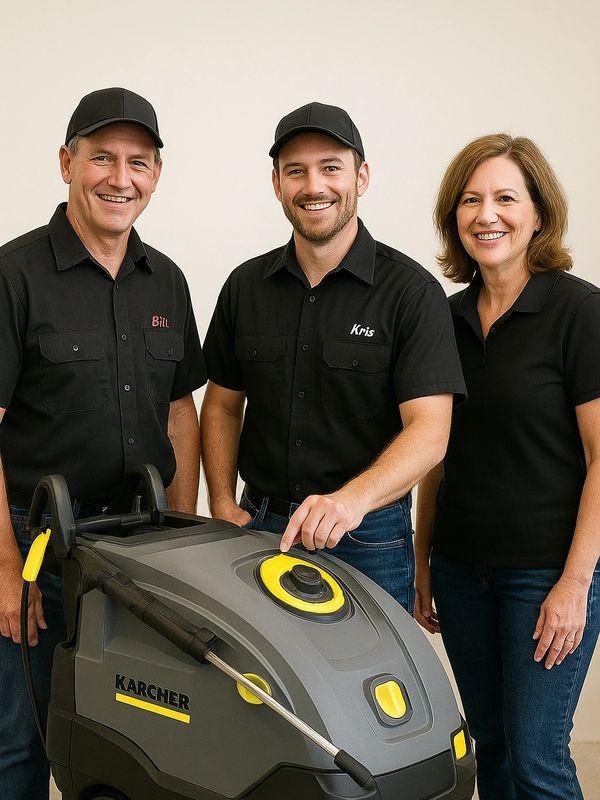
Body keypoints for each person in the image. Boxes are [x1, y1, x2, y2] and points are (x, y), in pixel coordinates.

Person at [0, 87, 206, 800]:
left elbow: (182, 411)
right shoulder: (13, 274)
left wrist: (183, 542)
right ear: (66, 163)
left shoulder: (168, 280)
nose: (121, 178)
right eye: (102, 159)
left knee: (138, 745)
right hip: (38, 554)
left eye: (139, 163)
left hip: (139, 559)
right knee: (19, 744)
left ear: (156, 174)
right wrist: (3, 569)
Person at [201, 101, 465, 610]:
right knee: (256, 688)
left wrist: (351, 502)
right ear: (276, 183)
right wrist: (218, 500)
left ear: (361, 176)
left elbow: (431, 430)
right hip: (259, 528)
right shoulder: (245, 286)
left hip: (367, 537)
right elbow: (222, 405)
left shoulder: (410, 292)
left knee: (366, 687)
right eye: (295, 171)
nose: (313, 186)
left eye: (331, 168)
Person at [414, 133, 600, 800]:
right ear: (453, 216)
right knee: (487, 750)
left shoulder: (580, 312)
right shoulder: (443, 318)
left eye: (504, 198)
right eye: (470, 199)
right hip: (463, 570)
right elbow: (434, 449)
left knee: (536, 759)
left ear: (539, 213)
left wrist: (576, 582)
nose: (485, 214)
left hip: (546, 573)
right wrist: (423, 559)